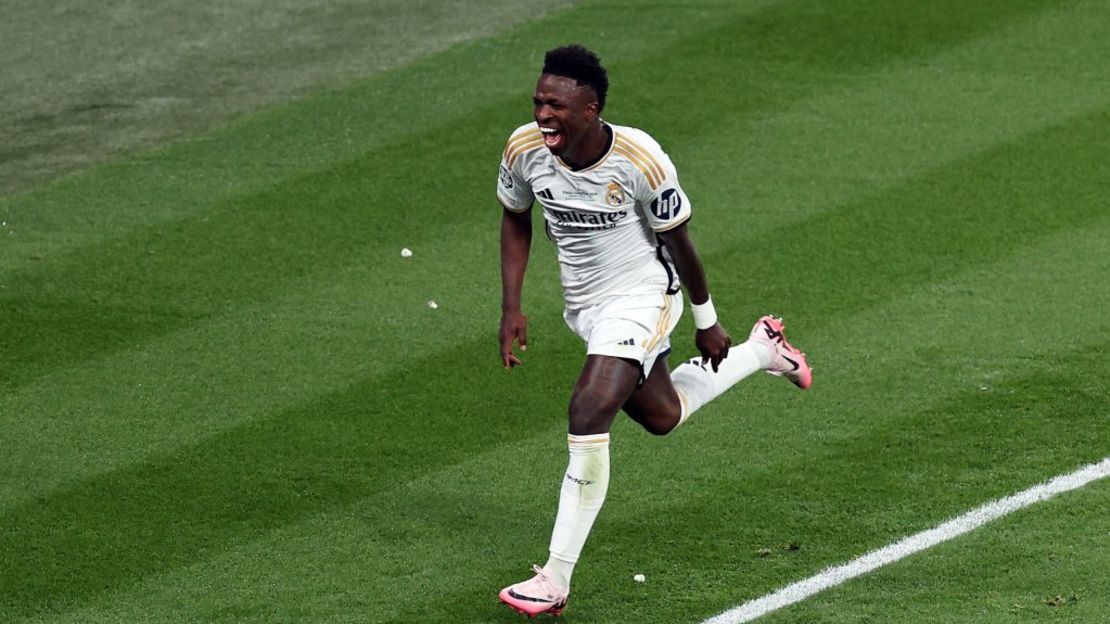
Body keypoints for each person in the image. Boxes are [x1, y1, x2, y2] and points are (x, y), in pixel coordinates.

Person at [496, 45, 812, 618]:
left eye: (557, 105)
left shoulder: (641, 161)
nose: (543, 114)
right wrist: (511, 305)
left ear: (590, 109)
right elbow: (515, 217)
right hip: (585, 304)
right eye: (539, 101)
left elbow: (679, 242)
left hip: (643, 295)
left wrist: (707, 320)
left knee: (589, 410)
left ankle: (555, 577)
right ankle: (763, 352)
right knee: (661, 415)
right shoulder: (525, 149)